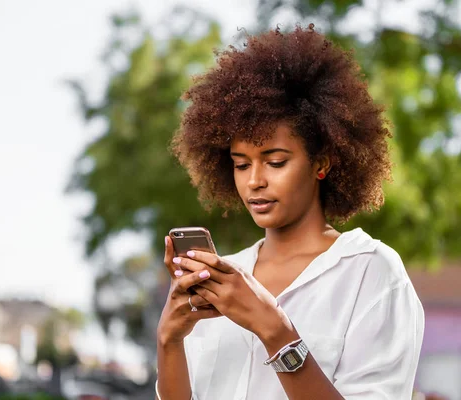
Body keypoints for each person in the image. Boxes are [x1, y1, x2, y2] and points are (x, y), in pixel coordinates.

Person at [156, 23, 425, 400]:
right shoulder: (221, 281)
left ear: (322, 163)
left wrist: (276, 332)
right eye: (241, 164)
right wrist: (169, 340)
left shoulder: (371, 272)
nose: (254, 181)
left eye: (276, 162)